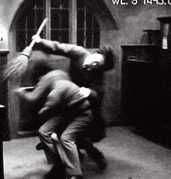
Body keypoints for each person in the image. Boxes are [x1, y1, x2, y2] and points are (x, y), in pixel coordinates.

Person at [32, 35, 115, 168]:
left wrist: (89, 92)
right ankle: (75, 155)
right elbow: (59, 47)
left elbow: (99, 92)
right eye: (95, 61)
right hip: (67, 99)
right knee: (60, 129)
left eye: (97, 66)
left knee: (73, 133)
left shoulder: (97, 72)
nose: (93, 66)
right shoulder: (79, 52)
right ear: (95, 53)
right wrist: (40, 42)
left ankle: (94, 154)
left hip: (83, 104)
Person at [16, 70, 93, 179]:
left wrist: (21, 93)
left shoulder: (54, 90)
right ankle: (59, 165)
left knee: (66, 138)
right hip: (67, 113)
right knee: (44, 131)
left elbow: (42, 104)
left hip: (82, 114)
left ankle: (76, 175)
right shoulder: (59, 77)